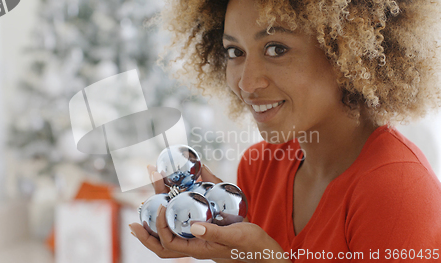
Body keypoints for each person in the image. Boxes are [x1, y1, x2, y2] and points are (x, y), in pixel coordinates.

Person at [129, 0, 441, 262]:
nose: (247, 84)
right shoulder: (258, 167)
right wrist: (232, 253)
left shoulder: (396, 190)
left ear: (347, 53)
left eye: (276, 48)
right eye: (235, 52)